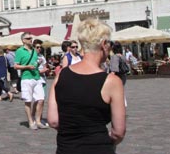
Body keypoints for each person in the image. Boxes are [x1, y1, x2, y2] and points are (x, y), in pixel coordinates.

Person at [48, 19, 126, 153]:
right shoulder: (112, 81)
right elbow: (118, 132)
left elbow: (53, 121)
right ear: (104, 44)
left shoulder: (61, 75)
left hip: (66, 149)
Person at [15, 32, 48, 130]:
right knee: (28, 101)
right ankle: (30, 121)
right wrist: (27, 66)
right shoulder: (19, 51)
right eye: (28, 38)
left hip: (37, 77)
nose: (31, 39)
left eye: (31, 38)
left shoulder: (34, 50)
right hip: (26, 78)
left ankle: (37, 121)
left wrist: (38, 63)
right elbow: (16, 66)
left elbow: (35, 64)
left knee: (41, 99)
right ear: (23, 40)